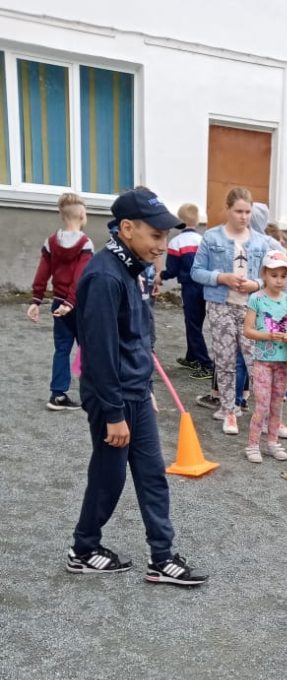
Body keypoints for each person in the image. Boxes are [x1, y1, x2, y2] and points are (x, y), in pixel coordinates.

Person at [67, 188, 207, 586]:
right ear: (127, 229)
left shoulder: (132, 270)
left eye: (165, 237)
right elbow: (98, 354)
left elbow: (135, 340)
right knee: (108, 479)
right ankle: (83, 548)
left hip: (134, 393)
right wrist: (113, 413)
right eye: (156, 236)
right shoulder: (102, 276)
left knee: (151, 476)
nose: (162, 246)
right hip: (112, 399)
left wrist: (144, 387)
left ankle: (161, 558)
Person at [191, 187, 267, 435]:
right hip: (220, 305)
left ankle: (266, 414)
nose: (244, 216)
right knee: (224, 360)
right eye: (238, 211)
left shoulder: (260, 241)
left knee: (256, 360)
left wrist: (256, 284)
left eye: (248, 211)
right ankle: (229, 410)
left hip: (250, 308)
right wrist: (221, 277)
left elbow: (270, 277)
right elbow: (196, 271)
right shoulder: (212, 238)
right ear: (228, 210)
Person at [27, 192, 94, 410]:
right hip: (79, 304)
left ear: (61, 215)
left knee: (62, 349)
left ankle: (57, 395)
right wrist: (71, 302)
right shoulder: (86, 243)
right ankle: (93, 392)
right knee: (89, 347)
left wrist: (36, 300)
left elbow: (42, 272)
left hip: (58, 303)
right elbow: (81, 276)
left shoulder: (51, 242)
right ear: (82, 215)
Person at [242, 250, 287, 464]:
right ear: (264, 274)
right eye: (274, 275)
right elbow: (248, 330)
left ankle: (273, 442)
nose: (279, 280)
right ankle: (253, 444)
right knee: (262, 404)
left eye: (283, 276)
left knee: (277, 404)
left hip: (282, 362)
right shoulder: (256, 298)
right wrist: (268, 335)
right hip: (262, 361)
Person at [160, 202, 213, 380]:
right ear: (197, 221)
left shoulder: (176, 243)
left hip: (190, 287)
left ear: (178, 221)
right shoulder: (204, 240)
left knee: (192, 325)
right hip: (205, 286)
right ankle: (192, 357)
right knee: (197, 322)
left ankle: (206, 364)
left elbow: (172, 270)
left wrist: (161, 276)